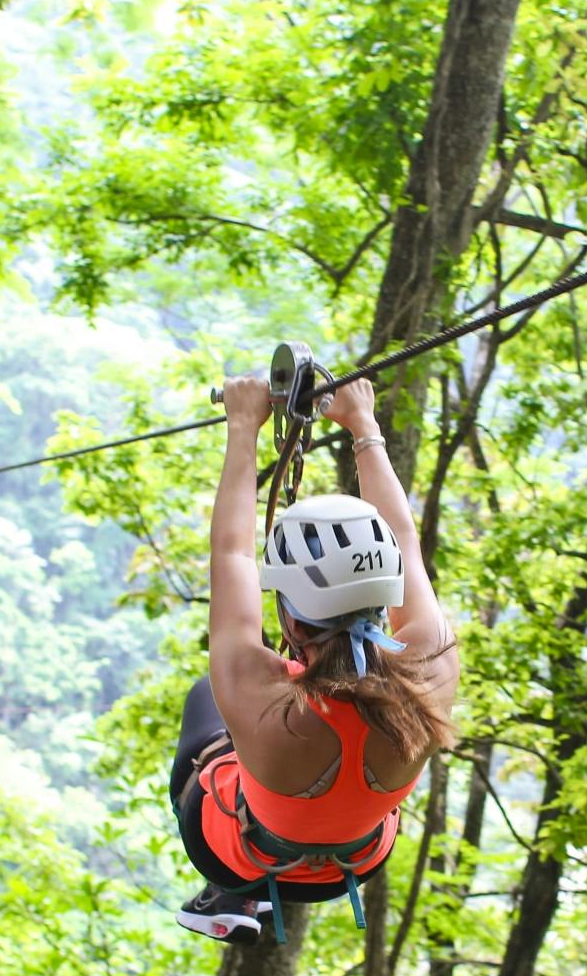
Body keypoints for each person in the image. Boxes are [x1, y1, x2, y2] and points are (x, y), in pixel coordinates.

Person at [166, 375, 459, 942]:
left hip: (235, 855)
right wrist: (364, 428)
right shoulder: (431, 669)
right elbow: (404, 536)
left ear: (291, 620)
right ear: (386, 592)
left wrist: (244, 423)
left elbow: (232, 552)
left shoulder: (254, 692)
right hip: (357, 864)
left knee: (206, 704)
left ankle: (235, 893)